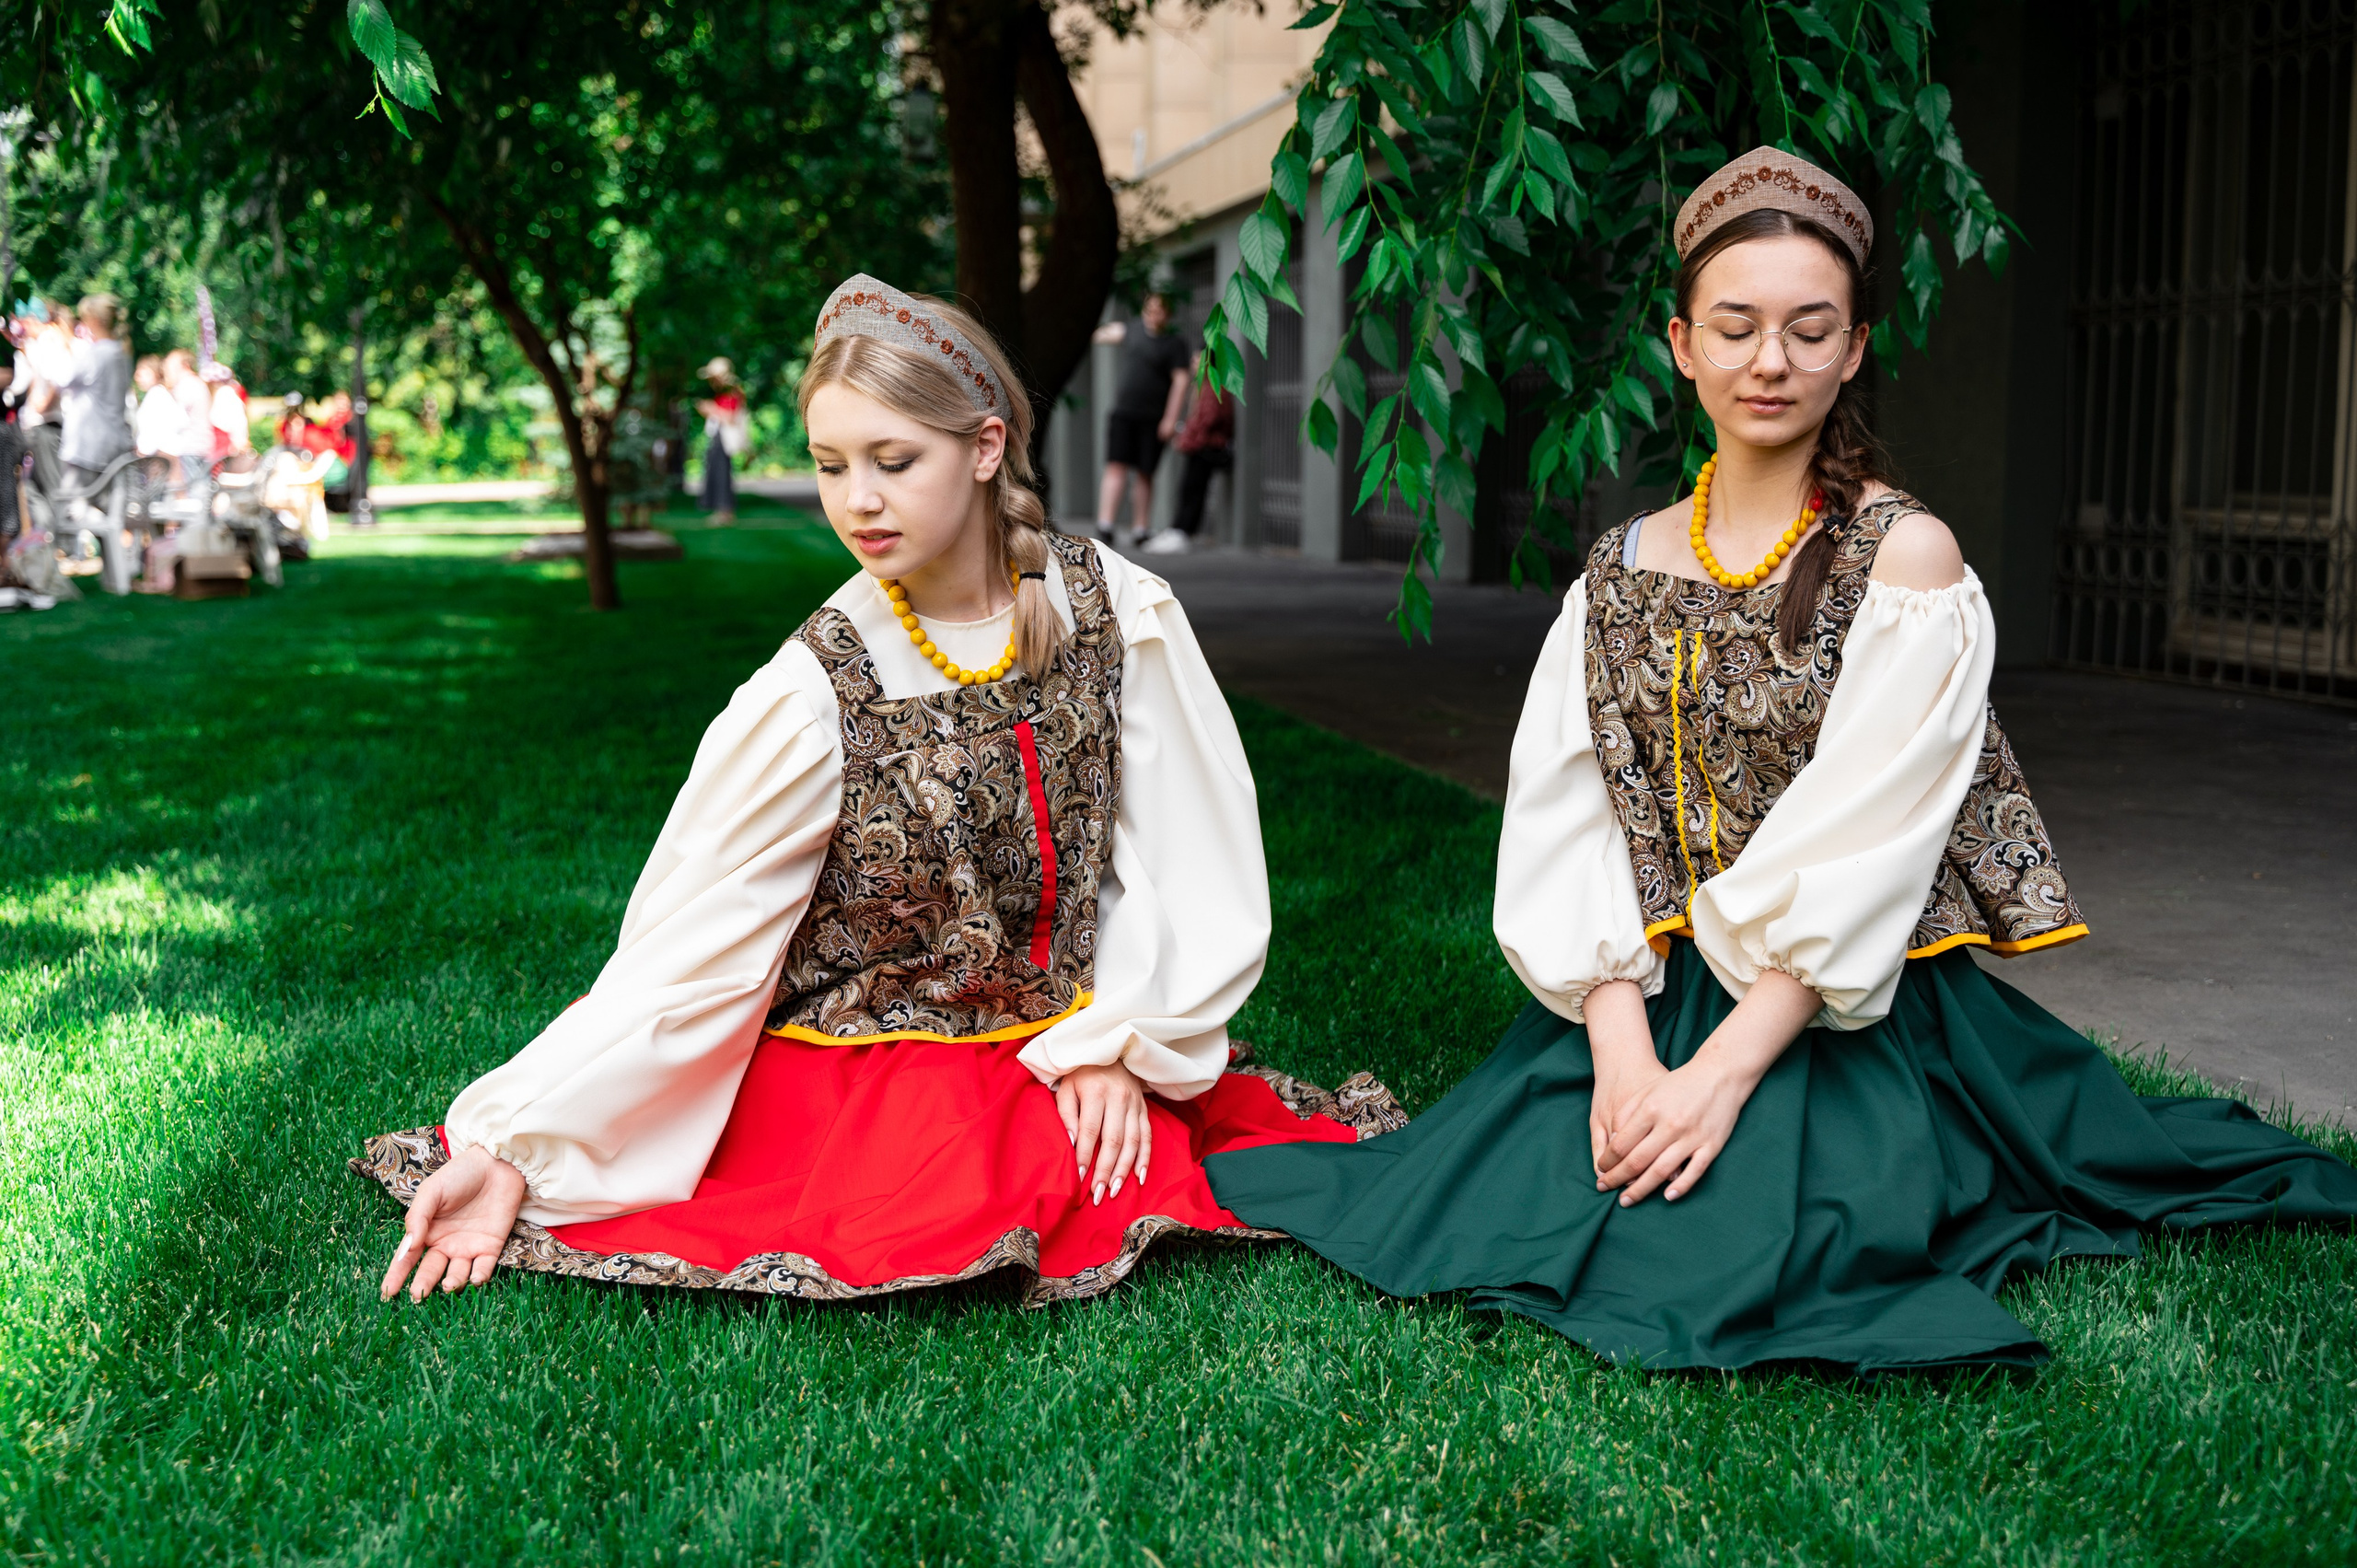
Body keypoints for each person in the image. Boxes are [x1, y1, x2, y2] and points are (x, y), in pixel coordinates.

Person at [1202, 148, 2357, 1374]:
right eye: (1736, 326)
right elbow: (1577, 817)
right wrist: (1624, 1056)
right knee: (1502, 1191)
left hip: (1840, 999)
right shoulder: (1617, 569)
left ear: (1853, 348)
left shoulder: (1905, 559)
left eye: (1809, 331)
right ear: (1681, 344)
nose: (1770, 360)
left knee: (1749, 1232)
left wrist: (1717, 1075)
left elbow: (1872, 841)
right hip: (1654, 986)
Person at [362, 273, 1398, 1306]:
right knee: (954, 1195)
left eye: (893, 461)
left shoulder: (1116, 608)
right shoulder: (817, 685)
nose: (856, 499)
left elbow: (1181, 861)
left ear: (985, 448)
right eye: (830, 465)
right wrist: (516, 1143)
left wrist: (1117, 1046)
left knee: (1107, 1168)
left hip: (1070, 1035)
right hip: (881, 1060)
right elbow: (692, 951)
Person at [1091, 293, 1191, 549]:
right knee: (1116, 466)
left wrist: (1171, 419)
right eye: (1150, 309)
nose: (1153, 314)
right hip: (1124, 413)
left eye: (1159, 310)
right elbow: (1105, 333)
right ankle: (1105, 525)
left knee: (1145, 473)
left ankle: (1140, 528)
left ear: (1168, 314)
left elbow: (1181, 382)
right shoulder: (1132, 331)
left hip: (1153, 418)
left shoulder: (1175, 344)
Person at [1144, 351, 1232, 555]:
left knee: (1193, 490)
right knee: (1188, 489)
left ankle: (1183, 532)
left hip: (1206, 448)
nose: (1193, 362)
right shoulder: (1205, 384)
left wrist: (1188, 437)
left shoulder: (1213, 385)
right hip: (1201, 447)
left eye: (1197, 358)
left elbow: (1208, 418)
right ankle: (1178, 529)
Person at [696, 356, 748, 526]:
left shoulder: (732, 392)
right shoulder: (724, 393)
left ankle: (725, 511)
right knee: (716, 472)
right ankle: (720, 510)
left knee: (722, 473)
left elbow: (730, 418)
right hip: (719, 436)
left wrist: (711, 409)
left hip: (725, 438)